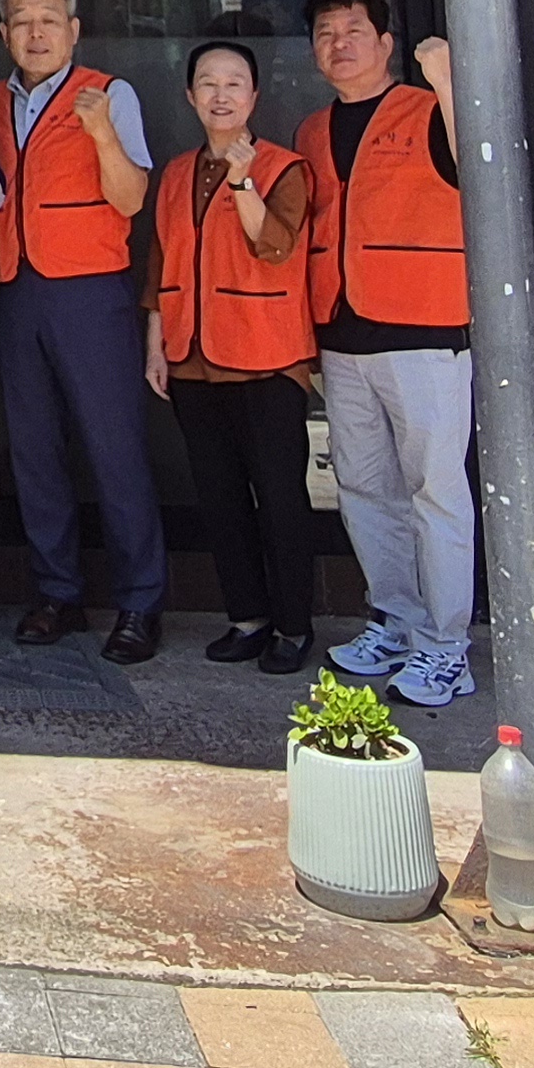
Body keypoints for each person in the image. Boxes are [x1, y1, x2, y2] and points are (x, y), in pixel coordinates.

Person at [0, 0, 167, 664]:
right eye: (22, 21)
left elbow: (131, 198)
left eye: (49, 19)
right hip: (16, 290)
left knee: (114, 448)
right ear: (4, 35)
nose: (36, 33)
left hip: (89, 291)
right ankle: (57, 592)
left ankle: (140, 601)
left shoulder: (110, 93)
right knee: (34, 451)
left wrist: (101, 133)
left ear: (74, 31)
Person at [294, 0, 476, 709]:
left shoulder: (427, 108)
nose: (338, 45)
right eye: (325, 34)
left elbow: (478, 168)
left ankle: (448, 647)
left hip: (423, 330)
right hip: (341, 334)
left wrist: (448, 82)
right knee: (366, 489)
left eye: (354, 32)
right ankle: (396, 622)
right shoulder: (312, 130)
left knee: (436, 491)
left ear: (386, 43)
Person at [147, 39, 321, 677]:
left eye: (234, 83)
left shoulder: (286, 168)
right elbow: (160, 262)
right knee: (219, 497)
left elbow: (274, 245)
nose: (220, 95)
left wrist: (243, 180)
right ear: (191, 96)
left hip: (267, 357)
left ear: (254, 97)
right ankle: (246, 618)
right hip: (191, 357)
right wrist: (155, 344)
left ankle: (294, 625)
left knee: (279, 497)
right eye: (208, 83)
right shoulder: (175, 173)